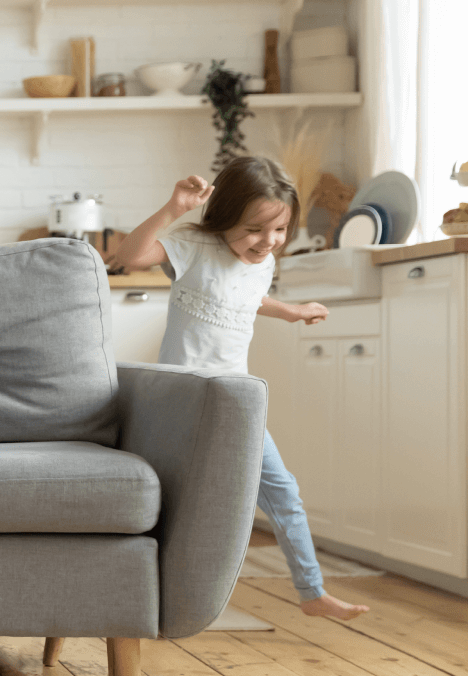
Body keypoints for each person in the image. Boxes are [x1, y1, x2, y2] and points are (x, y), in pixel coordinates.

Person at [113, 155, 369, 621]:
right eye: (255, 229)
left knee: (284, 494)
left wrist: (290, 310)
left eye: (279, 231)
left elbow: (244, 298)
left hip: (237, 402)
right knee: (173, 502)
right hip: (183, 402)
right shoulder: (192, 246)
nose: (267, 242)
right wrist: (173, 208)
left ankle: (311, 591)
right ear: (225, 216)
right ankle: (145, 593)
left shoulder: (262, 263)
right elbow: (129, 258)